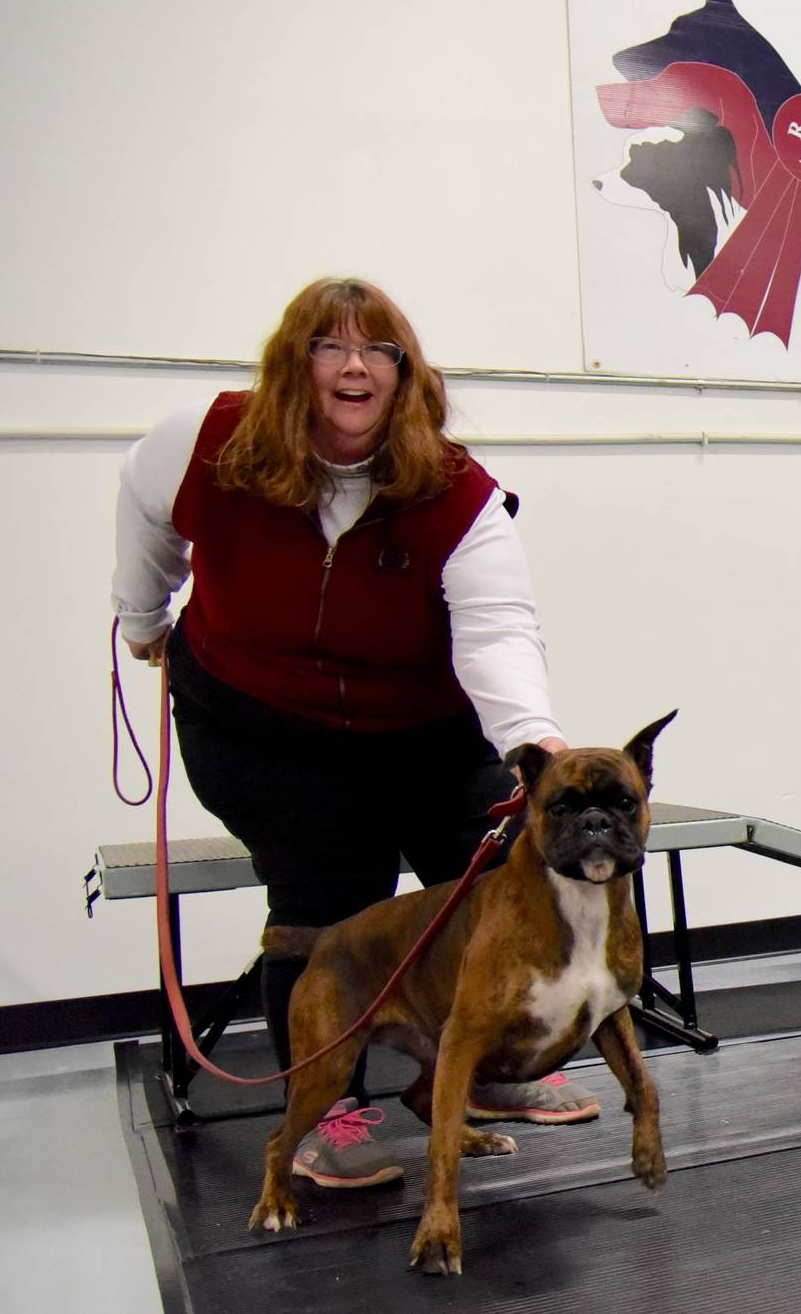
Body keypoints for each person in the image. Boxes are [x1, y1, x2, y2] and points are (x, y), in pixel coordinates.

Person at [112, 277, 597, 1185]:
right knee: (329, 893)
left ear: (406, 375)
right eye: (330, 347)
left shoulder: (458, 493)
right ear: (293, 365)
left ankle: (483, 1069)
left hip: (418, 722)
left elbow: (495, 634)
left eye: (379, 351)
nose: (355, 367)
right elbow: (145, 519)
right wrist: (139, 618)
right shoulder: (200, 443)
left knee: (491, 876)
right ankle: (326, 1109)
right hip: (259, 722)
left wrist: (538, 746)